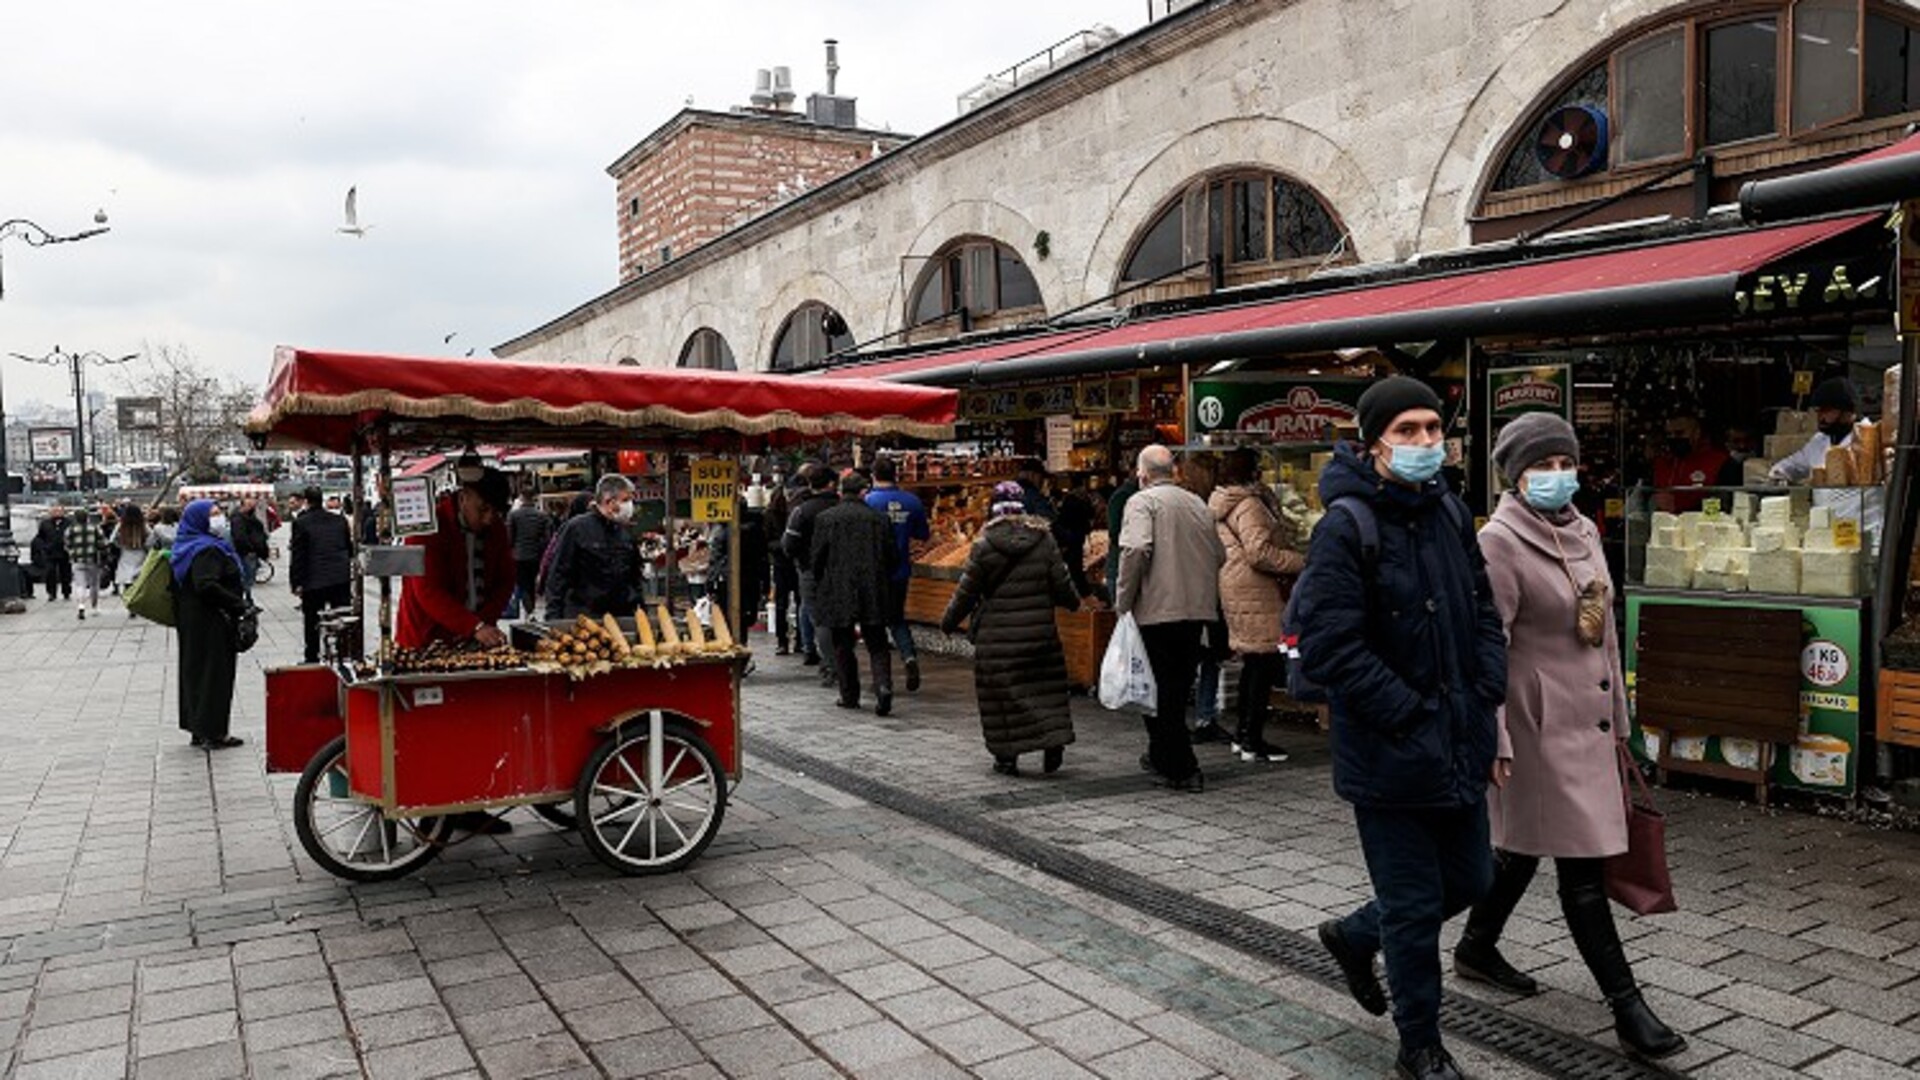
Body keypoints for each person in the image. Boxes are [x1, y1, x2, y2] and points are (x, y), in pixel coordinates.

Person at [1454, 412, 1686, 1060]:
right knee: (1581, 869)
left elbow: (1605, 629)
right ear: (1514, 475)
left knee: (1522, 851)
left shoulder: (1584, 529)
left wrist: (1626, 720)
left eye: (1565, 464)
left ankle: (1475, 946)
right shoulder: (1498, 542)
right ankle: (1628, 1009)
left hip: (1592, 724)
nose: (1558, 477)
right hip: (1535, 729)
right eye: (1542, 467)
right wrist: (1492, 736)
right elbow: (1485, 647)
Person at [1298, 377, 1506, 1080]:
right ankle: (1420, 1045)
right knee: (1415, 909)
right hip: (1389, 754)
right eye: (1407, 431)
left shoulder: (1449, 511)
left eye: (1432, 429)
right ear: (1373, 442)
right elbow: (1329, 646)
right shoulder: (1345, 527)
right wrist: (1409, 711)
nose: (1424, 443)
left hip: (1458, 736)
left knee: (1473, 877)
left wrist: (1485, 693)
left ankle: (1355, 936)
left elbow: (1482, 609)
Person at [940, 481, 1080, 775]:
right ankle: (1052, 741)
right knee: (1045, 690)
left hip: (998, 639)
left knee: (1001, 697)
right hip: (1039, 633)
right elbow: (1062, 583)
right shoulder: (1044, 539)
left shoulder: (985, 544)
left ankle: (1007, 756)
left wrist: (949, 621)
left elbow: (967, 591)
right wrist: (1073, 603)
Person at [1113, 444, 1226, 793]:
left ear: (1142, 474)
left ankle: (1179, 765)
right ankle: (1164, 756)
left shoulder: (1142, 502)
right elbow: (1219, 554)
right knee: (1176, 689)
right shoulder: (1197, 504)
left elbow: (1134, 549)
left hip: (1156, 611)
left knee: (1156, 690)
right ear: (1174, 471)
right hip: (1195, 611)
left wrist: (1123, 601)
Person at [1210, 447, 1304, 763]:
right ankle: (1252, 739)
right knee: (1263, 662)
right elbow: (1259, 553)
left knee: (1255, 661)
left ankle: (1244, 735)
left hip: (1240, 587)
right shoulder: (1248, 505)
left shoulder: (1226, 500)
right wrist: (1301, 561)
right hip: (1257, 591)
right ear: (1250, 472)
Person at [396, 468, 515, 651]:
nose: (488, 518)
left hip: (474, 638)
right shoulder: (428, 527)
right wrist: (474, 626)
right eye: (483, 509)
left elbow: (505, 579)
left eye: (497, 512)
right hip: (425, 638)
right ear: (464, 496)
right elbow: (428, 590)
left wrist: (485, 622)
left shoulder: (496, 528)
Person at [810, 470, 896, 715]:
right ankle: (883, 686)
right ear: (863, 492)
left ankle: (849, 695)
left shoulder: (826, 519)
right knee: (877, 642)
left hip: (838, 587)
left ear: (840, 491)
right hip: (873, 586)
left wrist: (821, 581)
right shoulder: (879, 520)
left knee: (842, 644)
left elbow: (816, 559)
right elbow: (892, 557)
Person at [172, 499, 250, 750]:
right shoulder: (206, 549)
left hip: (192, 620)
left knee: (195, 673)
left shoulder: (186, 546)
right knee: (214, 675)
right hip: (212, 621)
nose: (219, 519)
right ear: (200, 520)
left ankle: (198, 727)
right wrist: (238, 604)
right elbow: (206, 585)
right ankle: (214, 732)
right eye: (213, 515)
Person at [1769, 375, 1882, 537]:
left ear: (1849, 411)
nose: (1820, 416)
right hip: (1826, 534)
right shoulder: (1819, 441)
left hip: (1864, 530)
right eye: (1818, 411)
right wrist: (1778, 473)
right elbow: (1793, 464)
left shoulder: (1872, 440)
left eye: (1827, 410)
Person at [865, 456, 930, 691]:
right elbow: (923, 534)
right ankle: (909, 656)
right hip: (901, 570)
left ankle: (882, 677)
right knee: (897, 618)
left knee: (875, 622)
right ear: (896, 474)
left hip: (875, 572)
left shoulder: (868, 501)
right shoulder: (912, 501)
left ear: (873, 475)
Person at [544, 474, 641, 622]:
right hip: (584, 616)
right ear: (609, 501)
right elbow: (558, 574)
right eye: (626, 500)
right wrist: (553, 617)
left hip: (621, 616)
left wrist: (640, 609)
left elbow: (634, 577)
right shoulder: (576, 528)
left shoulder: (624, 532)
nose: (630, 506)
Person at [1179, 453, 1227, 743]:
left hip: (1188, 592)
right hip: (1208, 591)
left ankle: (1193, 716)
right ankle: (1204, 715)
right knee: (1208, 657)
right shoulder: (1203, 507)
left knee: (1195, 657)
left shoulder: (1189, 504)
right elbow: (1218, 553)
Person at [783, 464, 839, 682]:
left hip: (810, 571)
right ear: (832, 484)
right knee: (840, 618)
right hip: (842, 570)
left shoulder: (801, 511)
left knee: (820, 619)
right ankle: (836, 662)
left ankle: (832, 664)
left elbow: (788, 545)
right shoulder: (842, 507)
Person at [290, 484, 355, 664]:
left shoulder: (301, 522)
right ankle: (345, 653)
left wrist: (296, 582)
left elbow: (298, 554)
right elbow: (349, 548)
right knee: (342, 617)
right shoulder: (339, 520)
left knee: (312, 620)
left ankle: (312, 657)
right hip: (339, 578)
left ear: (306, 501)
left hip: (314, 579)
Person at [508, 488, 556, 619]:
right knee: (532, 584)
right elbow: (547, 538)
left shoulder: (514, 515)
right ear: (534, 498)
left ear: (522, 498)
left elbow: (510, 537)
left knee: (523, 583)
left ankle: (529, 611)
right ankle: (531, 608)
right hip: (535, 556)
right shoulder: (542, 516)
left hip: (519, 555)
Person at [766, 480, 799, 654]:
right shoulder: (795, 511)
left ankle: (783, 641)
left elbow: (767, 541)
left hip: (781, 562)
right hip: (792, 561)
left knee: (782, 603)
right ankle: (798, 640)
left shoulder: (770, 514)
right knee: (798, 602)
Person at [66, 505, 109, 619]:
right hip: (93, 559)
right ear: (87, 517)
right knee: (94, 584)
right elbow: (102, 543)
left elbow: (67, 545)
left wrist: (73, 552)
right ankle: (94, 607)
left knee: (80, 584)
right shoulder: (94, 528)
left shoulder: (70, 529)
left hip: (77, 560)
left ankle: (81, 606)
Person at [230, 491, 271, 601]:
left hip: (253, 552)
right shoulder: (239, 518)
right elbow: (240, 537)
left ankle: (248, 600)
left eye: (254, 499)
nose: (253, 501)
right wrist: (250, 549)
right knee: (246, 579)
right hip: (246, 553)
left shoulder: (250, 516)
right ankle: (245, 601)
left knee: (249, 578)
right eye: (249, 499)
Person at [32, 506, 72, 603]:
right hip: (50, 553)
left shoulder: (68, 523)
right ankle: (51, 593)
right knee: (50, 573)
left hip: (64, 552)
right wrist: (44, 547)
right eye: (54, 511)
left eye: (59, 511)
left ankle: (66, 592)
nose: (57, 513)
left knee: (65, 573)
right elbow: (39, 537)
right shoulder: (45, 524)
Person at [112, 505, 152, 600]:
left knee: (127, 577)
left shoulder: (121, 525)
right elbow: (151, 538)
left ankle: (129, 597)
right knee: (138, 576)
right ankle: (137, 597)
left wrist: (120, 545)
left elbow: (113, 539)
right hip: (140, 553)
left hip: (126, 553)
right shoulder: (143, 525)